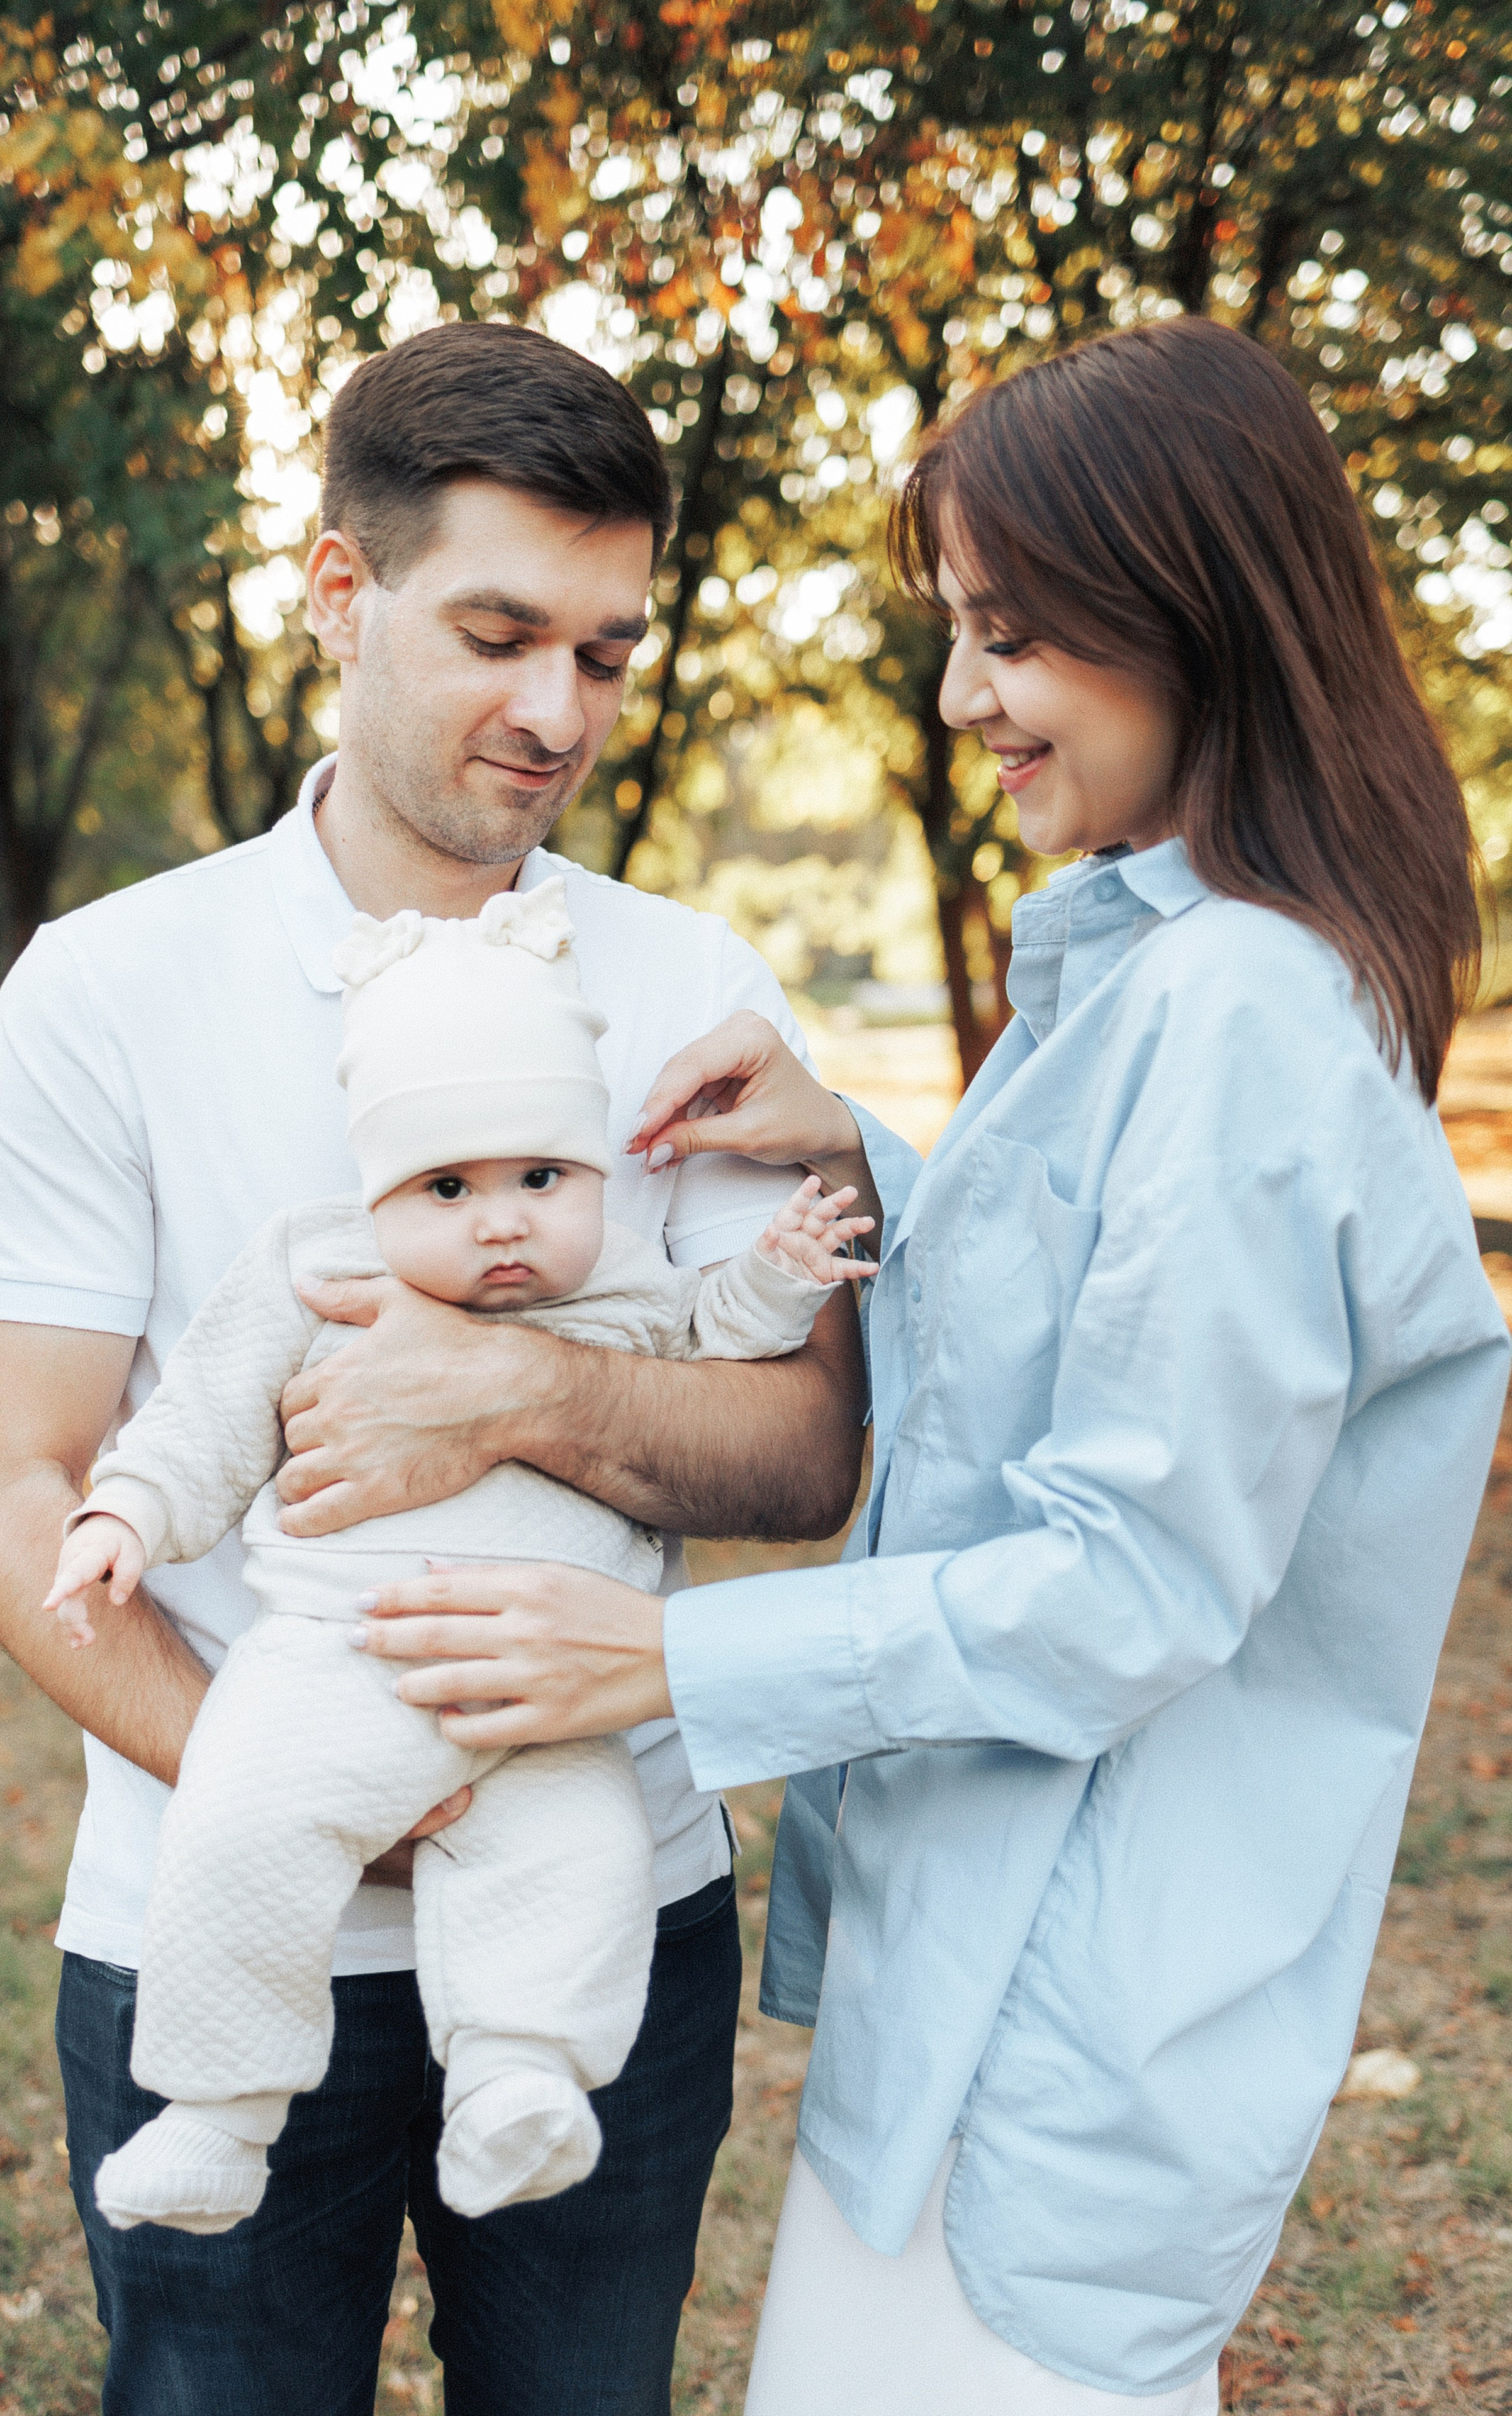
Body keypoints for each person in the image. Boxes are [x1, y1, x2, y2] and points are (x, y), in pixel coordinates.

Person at [339, 318, 1511, 2410]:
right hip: (988, 2009)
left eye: (1013, 633)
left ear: (1199, 615)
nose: (966, 696)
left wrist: (668, 1669)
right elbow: (1098, 1318)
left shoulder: (1238, 1013)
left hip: (1065, 2052)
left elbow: (1133, 1579)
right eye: (959, 631)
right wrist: (855, 1148)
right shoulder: (1174, 971)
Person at [0, 321, 883, 2415]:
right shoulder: (106, 993)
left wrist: (520, 1393)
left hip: (609, 1903)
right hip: (221, 1906)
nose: (558, 713)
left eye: (608, 654)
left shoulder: (688, 992)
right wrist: (319, 1795)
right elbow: (7, 1498)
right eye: (501, 632)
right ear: (341, 594)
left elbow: (806, 1445)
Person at [43, 877, 871, 2238]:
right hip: (331, 1665)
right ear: (380, 1187)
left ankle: (516, 2078)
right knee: (239, 1828)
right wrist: (125, 1514)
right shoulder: (312, 1268)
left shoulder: (611, 1287)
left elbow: (722, 1330)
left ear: (593, 1178)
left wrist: (782, 1267)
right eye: (448, 1187)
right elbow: (201, 1416)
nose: (501, 1221)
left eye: (542, 1179)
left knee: (579, 1857)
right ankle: (217, 2111)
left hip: (549, 1694)